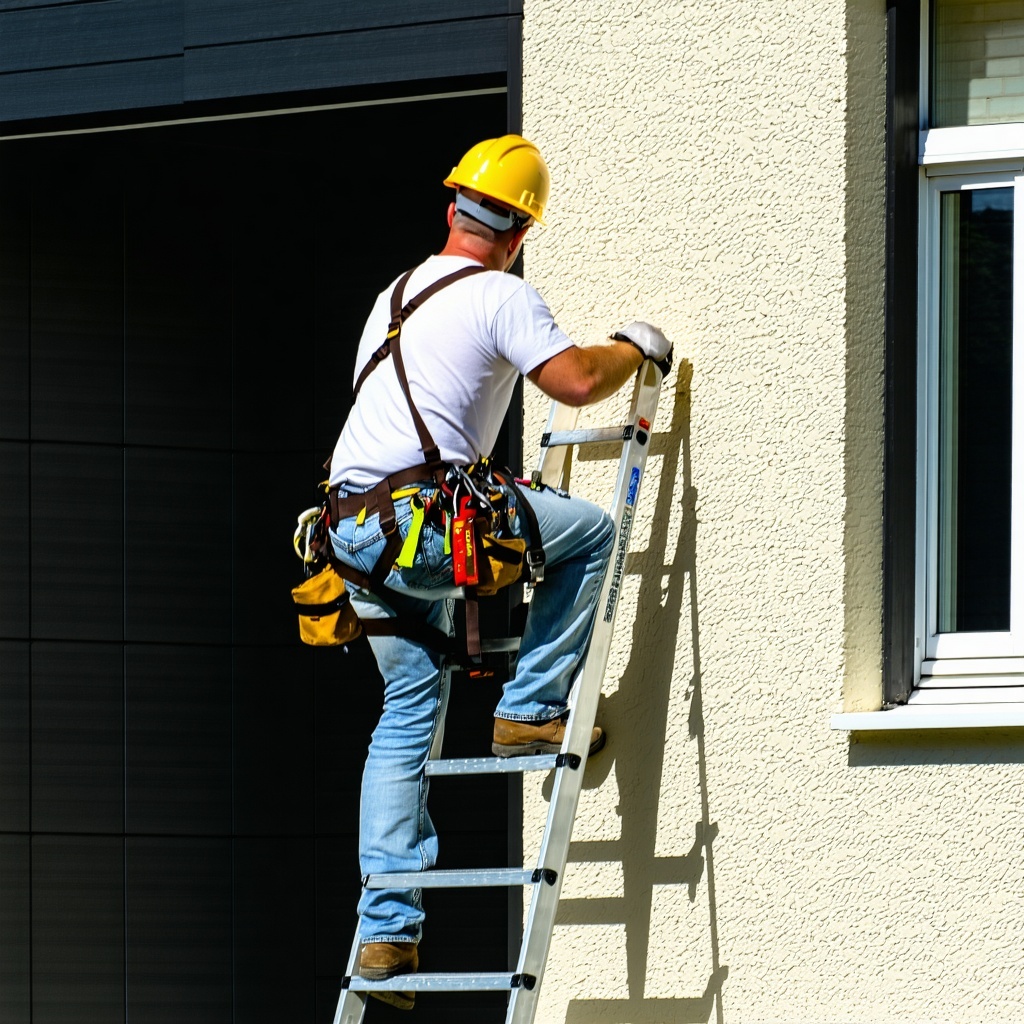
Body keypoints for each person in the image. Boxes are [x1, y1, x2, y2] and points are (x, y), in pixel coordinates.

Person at [327, 134, 671, 1008]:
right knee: (589, 533)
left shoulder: (393, 296)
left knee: (406, 712)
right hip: (421, 524)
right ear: (519, 232)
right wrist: (636, 346)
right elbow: (580, 382)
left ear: (452, 210)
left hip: (352, 530)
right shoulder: (502, 295)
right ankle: (528, 711)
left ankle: (386, 935)